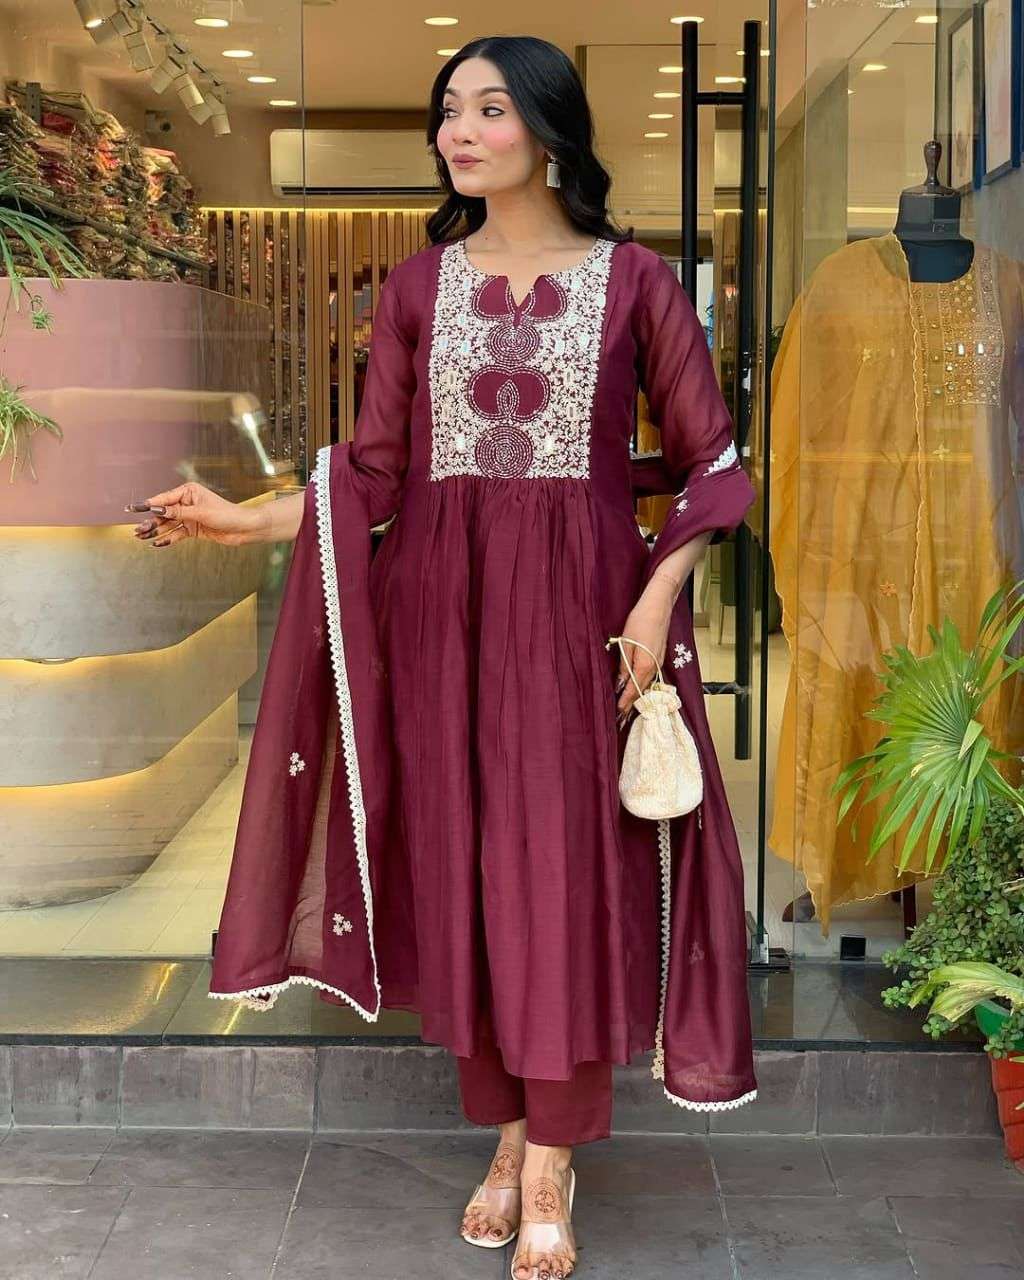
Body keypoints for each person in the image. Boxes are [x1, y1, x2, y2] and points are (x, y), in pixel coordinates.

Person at [127, 35, 758, 1280]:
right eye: (447, 111)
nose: (457, 131)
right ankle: (509, 1134)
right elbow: (371, 473)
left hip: (580, 621)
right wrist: (244, 518)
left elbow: (714, 464)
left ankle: (551, 1159)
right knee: (470, 869)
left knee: (558, 874)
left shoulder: (635, 283)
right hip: (439, 622)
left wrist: (653, 601)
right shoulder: (417, 290)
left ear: (549, 130)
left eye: (487, 108)